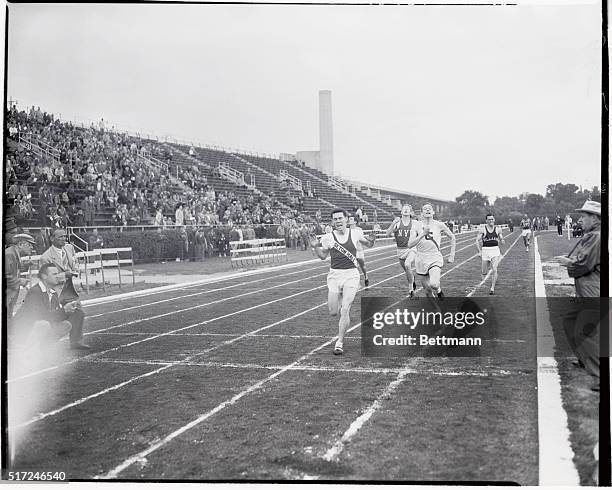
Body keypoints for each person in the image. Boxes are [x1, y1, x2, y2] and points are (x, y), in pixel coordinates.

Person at [309, 209, 376, 355]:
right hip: (334, 275)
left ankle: (339, 342)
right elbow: (322, 256)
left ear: (346, 219)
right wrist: (315, 246)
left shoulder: (356, 233)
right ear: (332, 222)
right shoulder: (328, 238)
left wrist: (372, 239)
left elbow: (369, 245)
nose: (338, 221)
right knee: (334, 312)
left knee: (345, 309)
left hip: (351, 275)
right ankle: (342, 312)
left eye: (340, 218)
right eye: (335, 219)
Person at [553, 200, 601, 391]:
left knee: (584, 331)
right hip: (589, 290)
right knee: (570, 322)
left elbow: (583, 265)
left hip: (593, 290)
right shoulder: (593, 235)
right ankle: (584, 359)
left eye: (584, 216)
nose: (580, 219)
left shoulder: (595, 237)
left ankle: (601, 375)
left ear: (595, 218)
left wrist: (568, 263)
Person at [13, 263, 89, 350]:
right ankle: (29, 349)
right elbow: (40, 316)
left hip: (41, 324)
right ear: (44, 276)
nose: (58, 276)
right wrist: (64, 310)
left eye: (57, 274)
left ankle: (74, 342)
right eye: (54, 274)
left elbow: (53, 315)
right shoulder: (35, 291)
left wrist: (69, 310)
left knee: (73, 317)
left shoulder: (53, 292)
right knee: (44, 324)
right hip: (24, 329)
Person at [407, 203, 455, 299]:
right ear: (421, 213)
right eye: (425, 209)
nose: (428, 210)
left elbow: (452, 237)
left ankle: (438, 290)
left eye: (429, 209)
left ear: (433, 212)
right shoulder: (416, 226)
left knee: (434, 284)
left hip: (434, 257)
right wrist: (422, 234)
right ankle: (436, 311)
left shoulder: (439, 225)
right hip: (421, 258)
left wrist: (452, 255)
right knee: (428, 291)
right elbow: (410, 244)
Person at [40, 229, 80, 305]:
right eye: (60, 237)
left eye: (65, 236)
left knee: (79, 313)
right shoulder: (46, 257)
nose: (64, 239)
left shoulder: (70, 248)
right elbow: (47, 279)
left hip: (71, 291)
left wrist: (75, 269)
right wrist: (64, 275)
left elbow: (75, 261)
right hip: (57, 293)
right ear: (52, 239)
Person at [385, 204, 417, 298]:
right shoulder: (397, 223)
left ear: (411, 212)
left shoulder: (415, 223)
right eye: (404, 209)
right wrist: (393, 222)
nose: (406, 210)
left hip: (411, 249)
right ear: (401, 211)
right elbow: (387, 234)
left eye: (408, 209)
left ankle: (410, 288)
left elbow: (420, 235)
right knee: (407, 271)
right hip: (400, 251)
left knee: (408, 264)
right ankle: (412, 280)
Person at [5, 233, 36, 317]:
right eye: (29, 244)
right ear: (20, 244)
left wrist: (25, 265)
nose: (32, 247)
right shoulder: (9, 254)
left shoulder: (14, 253)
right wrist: (19, 281)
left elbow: (13, 269)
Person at [476, 213, 505, 295]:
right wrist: (479, 251)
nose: (491, 221)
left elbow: (501, 238)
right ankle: (485, 275)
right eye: (489, 219)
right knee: (484, 272)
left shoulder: (498, 229)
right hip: (485, 251)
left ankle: (492, 288)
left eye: (492, 219)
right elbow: (477, 241)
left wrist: (502, 240)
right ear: (486, 221)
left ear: (494, 220)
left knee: (494, 269)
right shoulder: (483, 229)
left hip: (495, 250)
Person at [348, 216, 369, 287]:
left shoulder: (359, 230)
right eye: (349, 219)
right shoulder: (347, 230)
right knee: (353, 267)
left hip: (359, 250)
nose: (349, 220)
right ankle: (356, 282)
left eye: (351, 219)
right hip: (351, 251)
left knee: (362, 266)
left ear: (355, 222)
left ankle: (366, 277)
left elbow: (361, 239)